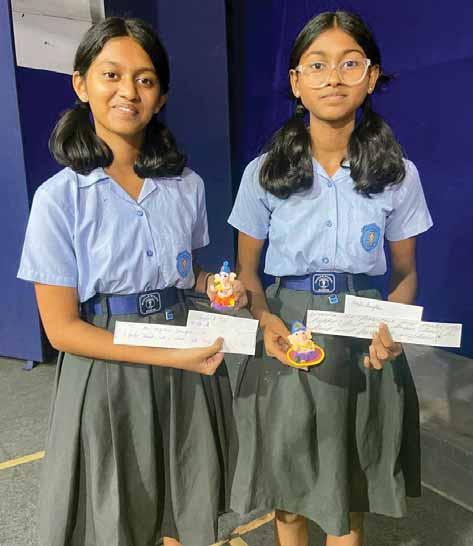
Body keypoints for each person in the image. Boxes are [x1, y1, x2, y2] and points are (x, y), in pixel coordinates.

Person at [17, 17, 246, 546]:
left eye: (145, 79)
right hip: (109, 372)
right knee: (117, 516)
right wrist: (168, 355)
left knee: (184, 504)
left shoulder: (186, 185)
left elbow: (184, 275)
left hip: (186, 363)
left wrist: (219, 287)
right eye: (111, 75)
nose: (129, 91)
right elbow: (61, 330)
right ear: (81, 84)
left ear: (161, 97)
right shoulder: (59, 198)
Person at [228, 11, 432, 546]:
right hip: (287, 328)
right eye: (317, 65)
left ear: (371, 76)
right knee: (288, 480)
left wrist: (391, 326)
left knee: (349, 484)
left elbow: (405, 273)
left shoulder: (398, 174)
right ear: (296, 82)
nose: (333, 78)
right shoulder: (263, 172)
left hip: (361, 333)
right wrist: (265, 319)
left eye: (349, 64)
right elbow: (247, 271)